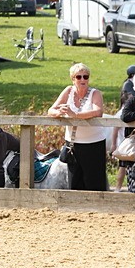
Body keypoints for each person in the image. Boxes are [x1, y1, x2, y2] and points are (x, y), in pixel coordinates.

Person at [47, 63, 108, 191]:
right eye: (79, 77)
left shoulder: (95, 93)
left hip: (94, 143)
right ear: (73, 79)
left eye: (86, 77)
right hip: (73, 144)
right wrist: (59, 112)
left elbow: (98, 112)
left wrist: (75, 115)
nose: (82, 80)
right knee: (74, 181)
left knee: (94, 182)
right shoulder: (68, 91)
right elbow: (50, 110)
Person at [113, 64, 135, 192]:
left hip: (130, 141)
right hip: (125, 142)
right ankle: (118, 188)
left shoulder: (133, 84)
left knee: (126, 167)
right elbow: (115, 127)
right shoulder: (129, 85)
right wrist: (114, 144)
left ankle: (126, 187)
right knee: (123, 166)